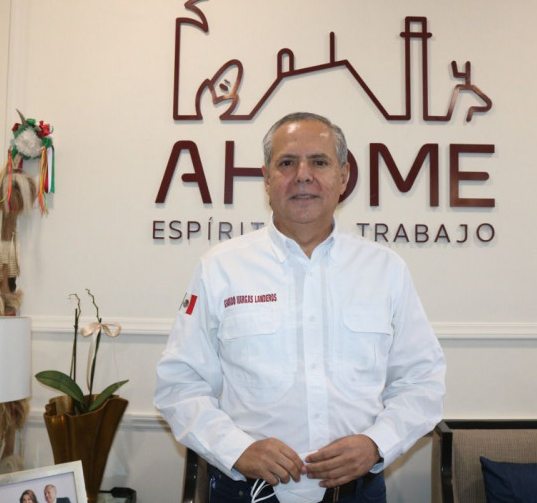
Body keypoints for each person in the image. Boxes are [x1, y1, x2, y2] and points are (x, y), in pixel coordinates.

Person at [154, 112, 446, 503]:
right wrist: (236, 449)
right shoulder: (220, 267)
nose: (303, 175)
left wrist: (377, 444)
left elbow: (422, 380)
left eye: (319, 162)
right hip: (248, 493)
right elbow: (180, 385)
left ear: (343, 177)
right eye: (287, 163)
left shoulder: (385, 270)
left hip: (357, 495)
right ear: (267, 178)